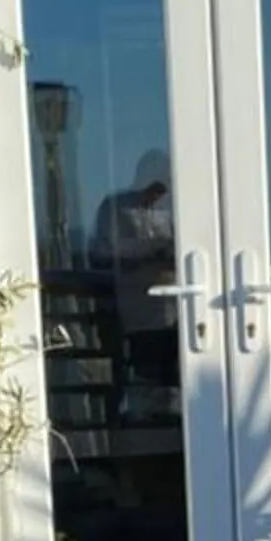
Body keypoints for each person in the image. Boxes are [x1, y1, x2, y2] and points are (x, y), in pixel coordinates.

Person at [91, 149, 178, 394]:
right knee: (145, 370)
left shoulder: (168, 211)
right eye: (157, 186)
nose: (159, 194)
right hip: (136, 304)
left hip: (173, 305)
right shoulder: (116, 208)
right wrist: (151, 250)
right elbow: (104, 250)